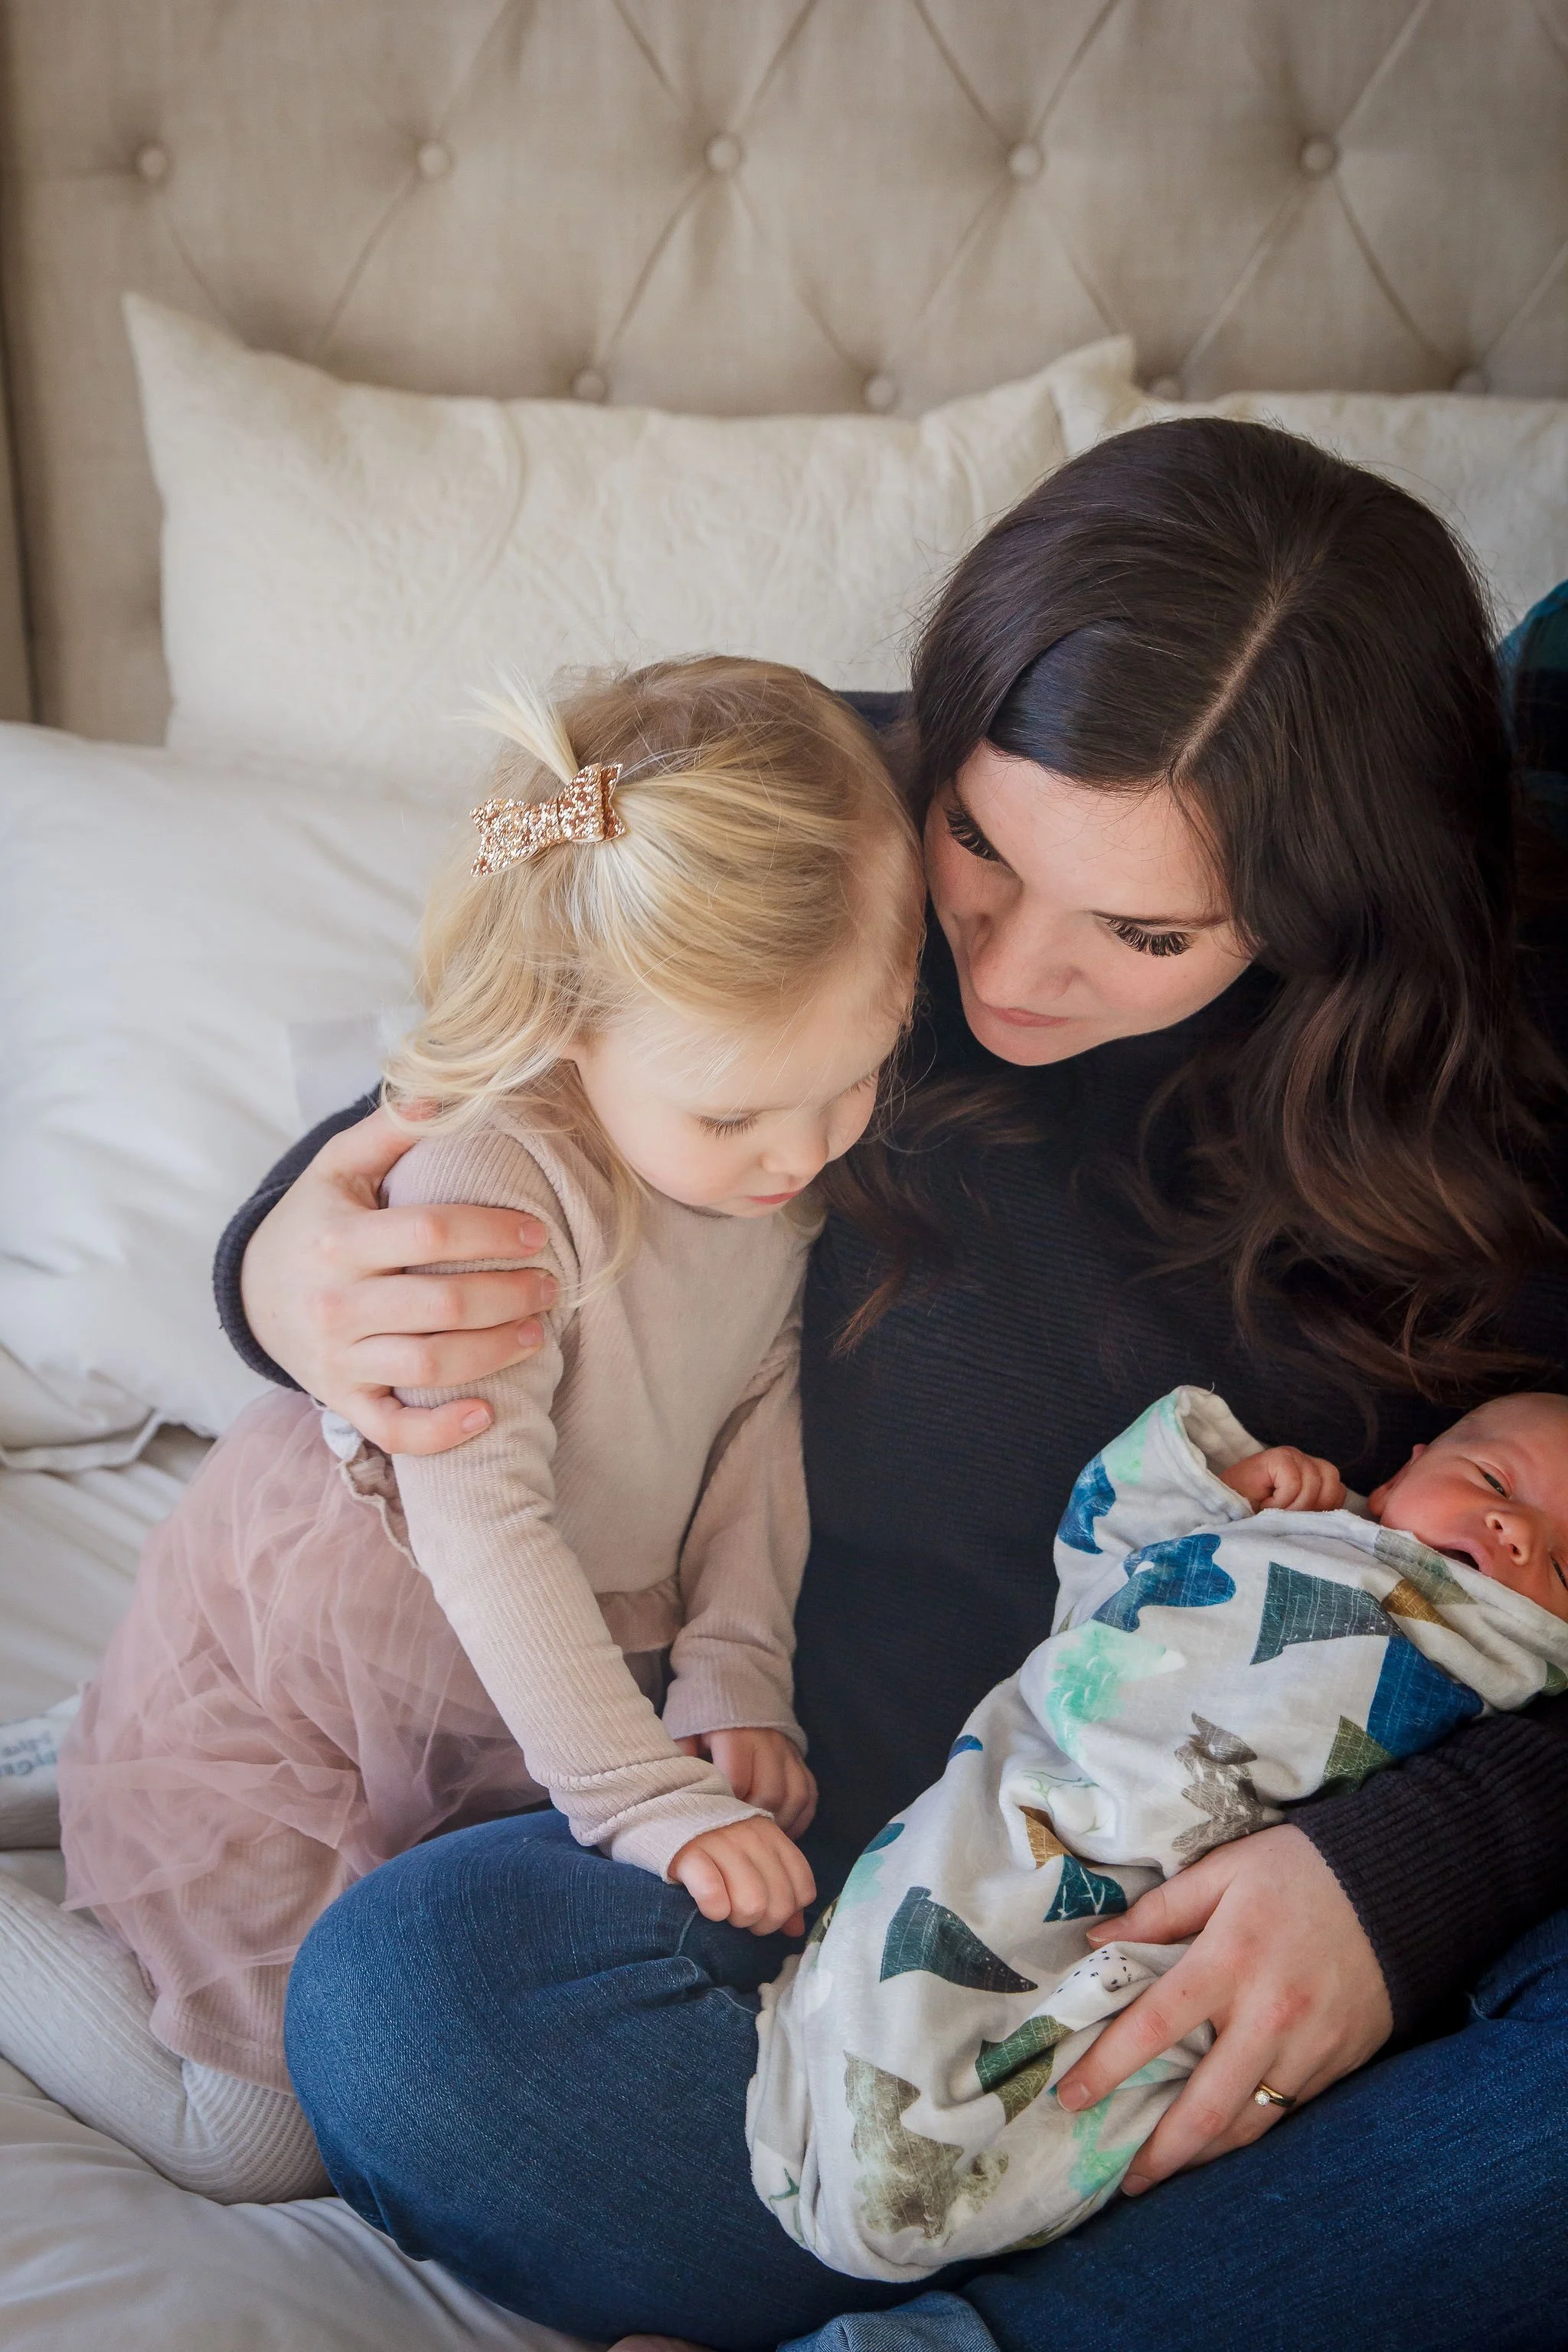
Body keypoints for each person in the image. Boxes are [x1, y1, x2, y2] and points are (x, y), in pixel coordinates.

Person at [235, 422, 1566, 2350]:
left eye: (1146, 930)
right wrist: (288, 1261)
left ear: (1322, 903)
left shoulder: (1502, 1059)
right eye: (982, 845)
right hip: (868, 1896)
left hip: (1330, 1907)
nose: (1006, 972)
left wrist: (1394, 1883)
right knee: (413, 2006)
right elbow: (507, 1080)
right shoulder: (807, 826)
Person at [0, 657, 924, 2203]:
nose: (800, 1154)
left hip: (525, 1681)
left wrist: (733, 1669)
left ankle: (72, 1752)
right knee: (260, 2144)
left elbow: (761, 1415)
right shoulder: (495, 1190)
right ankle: (90, 1763)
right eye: (736, 1116)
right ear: (571, 1025)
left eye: (851, 1083)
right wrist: (637, 1796)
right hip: (342, 1651)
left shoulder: (782, 1151)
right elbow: (483, 1521)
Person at [748, 1386, 1568, 2282]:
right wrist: (1221, 1490)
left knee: (1124, 2068)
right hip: (1043, 1794)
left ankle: (920, 2220)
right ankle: (836, 2097)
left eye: (1564, 1567)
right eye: (1491, 1479)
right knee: (913, 1947)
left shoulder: (1509, 1667)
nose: (1516, 1532)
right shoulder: (1296, 1529)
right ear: (1407, 1468)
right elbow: (1103, 1552)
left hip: (1209, 1925)